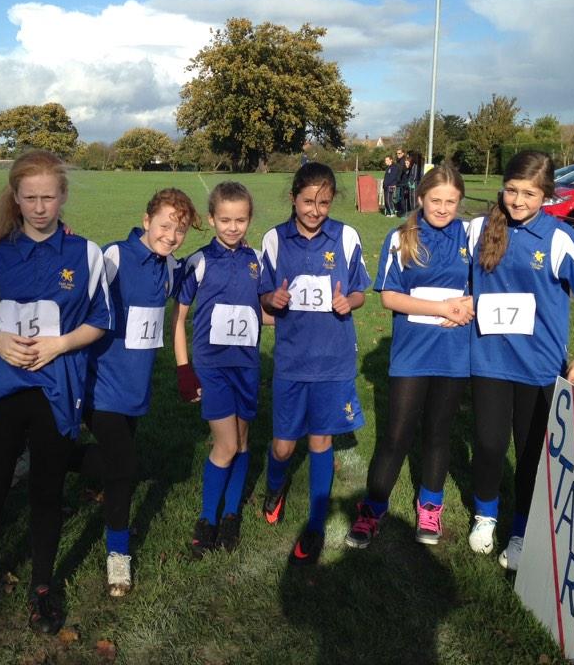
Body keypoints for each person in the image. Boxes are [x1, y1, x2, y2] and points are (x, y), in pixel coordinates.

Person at [0, 150, 112, 639]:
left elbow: (101, 319)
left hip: (57, 390)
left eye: (48, 196)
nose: (40, 207)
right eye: (30, 197)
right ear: (15, 199)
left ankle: (42, 589)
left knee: (45, 491)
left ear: (62, 197)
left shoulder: (86, 254)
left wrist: (60, 343)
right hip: (3, 389)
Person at [467, 150, 574, 570]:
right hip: (488, 361)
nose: (517, 200)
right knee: (490, 445)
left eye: (529, 193)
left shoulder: (559, 238)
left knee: (531, 454)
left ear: (546, 194)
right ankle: (485, 515)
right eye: (511, 190)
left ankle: (522, 528)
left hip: (540, 367)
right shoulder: (478, 228)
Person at [77, 188, 199, 597]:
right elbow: (78, 295)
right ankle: (118, 554)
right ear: (146, 221)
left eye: (180, 229)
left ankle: (54, 456)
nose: (171, 234)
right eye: (165, 225)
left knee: (118, 475)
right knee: (124, 466)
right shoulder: (113, 256)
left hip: (135, 389)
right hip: (100, 385)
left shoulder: (169, 268)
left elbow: (197, 278)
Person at [345, 164, 473, 549]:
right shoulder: (402, 237)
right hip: (412, 354)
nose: (443, 207)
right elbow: (388, 296)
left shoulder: (471, 236)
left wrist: (469, 308)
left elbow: (485, 286)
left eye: (451, 201)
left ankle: (430, 506)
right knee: (396, 435)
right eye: (436, 200)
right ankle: (373, 508)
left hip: (453, 354)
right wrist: (443, 309)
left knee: (437, 434)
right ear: (420, 198)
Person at [259, 162, 370, 565]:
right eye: (308, 201)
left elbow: (359, 292)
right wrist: (274, 300)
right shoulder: (274, 239)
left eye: (323, 202)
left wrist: (348, 301)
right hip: (292, 359)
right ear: (293, 197)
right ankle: (275, 487)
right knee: (284, 446)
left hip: (333, 360)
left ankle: (316, 523)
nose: (315, 210)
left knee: (321, 441)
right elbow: (263, 297)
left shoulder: (346, 236)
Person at [174, 182, 269, 558]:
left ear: (249, 220)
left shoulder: (258, 261)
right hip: (212, 367)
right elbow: (179, 319)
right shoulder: (198, 262)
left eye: (240, 220)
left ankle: (231, 514)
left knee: (243, 442)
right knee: (225, 444)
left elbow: (263, 313)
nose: (233, 227)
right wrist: (184, 368)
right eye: (225, 219)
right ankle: (206, 518)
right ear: (212, 218)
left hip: (246, 365)